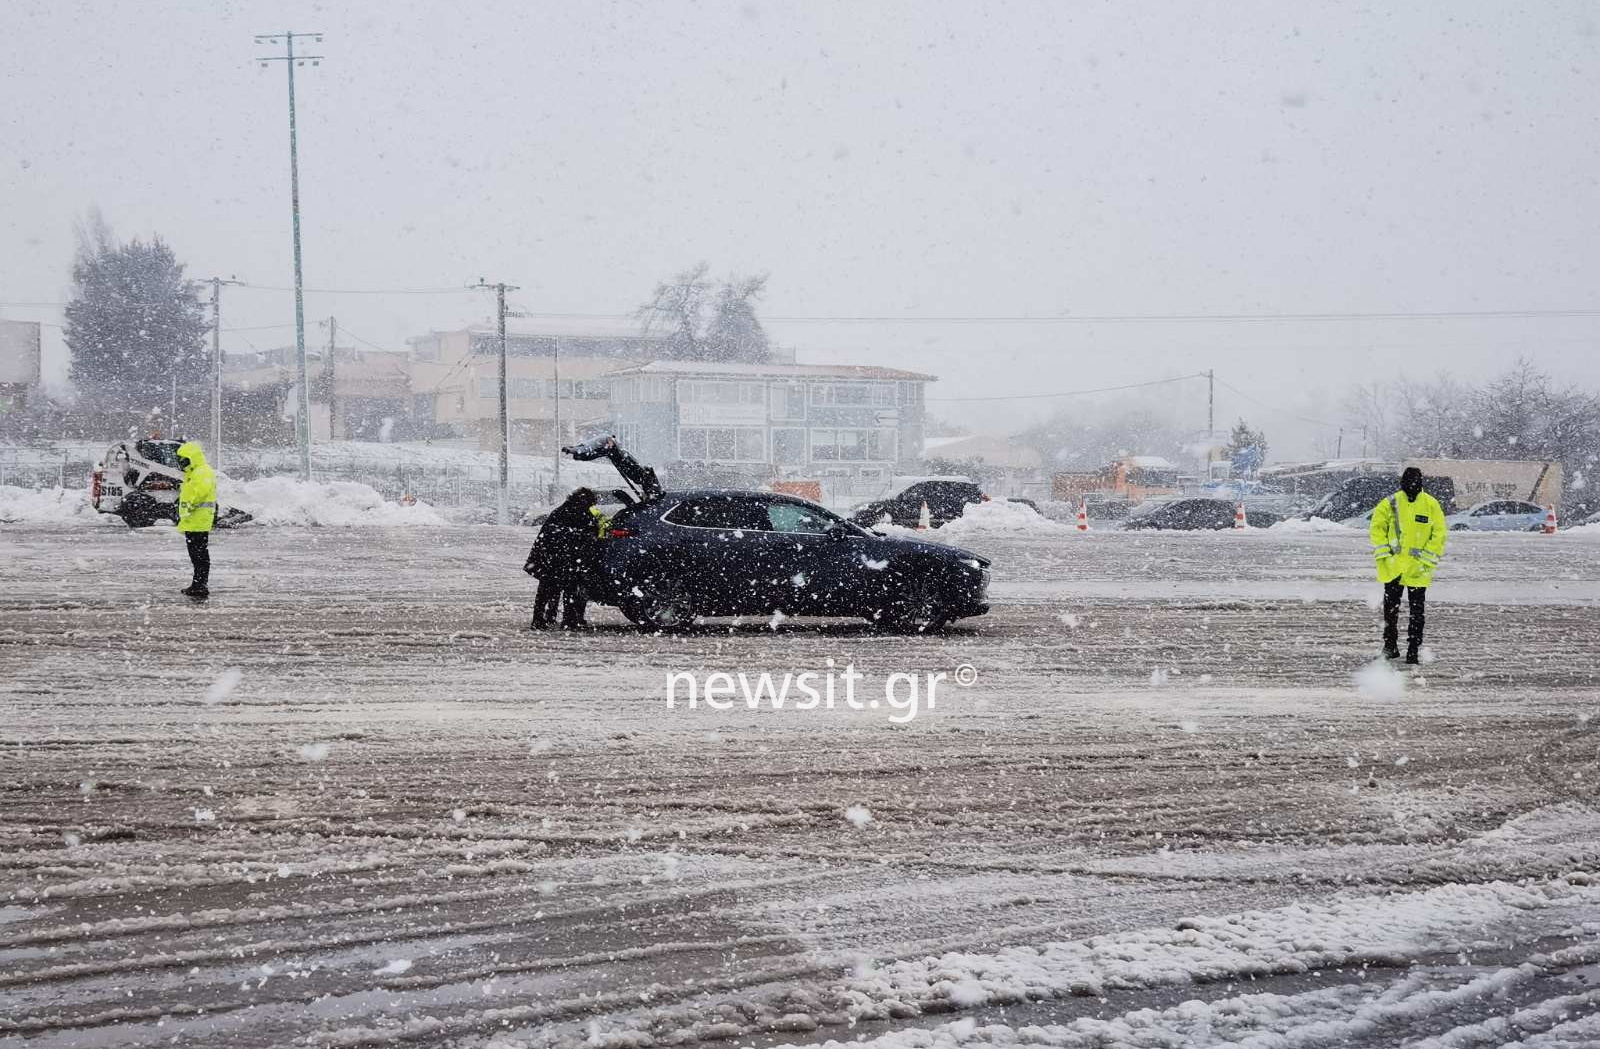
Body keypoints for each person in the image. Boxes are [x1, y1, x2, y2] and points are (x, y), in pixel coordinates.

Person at [1369, 467, 1447, 663]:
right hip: (1395, 568)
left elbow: (1438, 535)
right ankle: (1392, 645)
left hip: (1417, 570)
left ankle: (1411, 648)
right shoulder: (1391, 503)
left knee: (1413, 612)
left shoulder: (1430, 505)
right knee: (1394, 611)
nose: (1411, 486)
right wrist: (1385, 553)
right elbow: (1377, 528)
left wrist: (1424, 561)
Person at [523, 487, 607, 629]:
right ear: (585, 501)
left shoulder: (562, 511)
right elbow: (584, 534)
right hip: (564, 557)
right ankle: (568, 620)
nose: (592, 506)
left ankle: (545, 618)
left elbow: (549, 534)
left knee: (549, 589)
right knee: (570, 589)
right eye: (591, 503)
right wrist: (587, 538)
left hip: (553, 557)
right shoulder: (577, 513)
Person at [174, 440, 217, 598]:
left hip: (198, 519)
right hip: (193, 520)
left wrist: (190, 506)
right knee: (196, 554)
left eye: (184, 460)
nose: (181, 463)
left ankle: (200, 585)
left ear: (192, 458)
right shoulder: (193, 472)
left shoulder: (202, 471)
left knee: (199, 554)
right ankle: (197, 584)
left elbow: (200, 492)